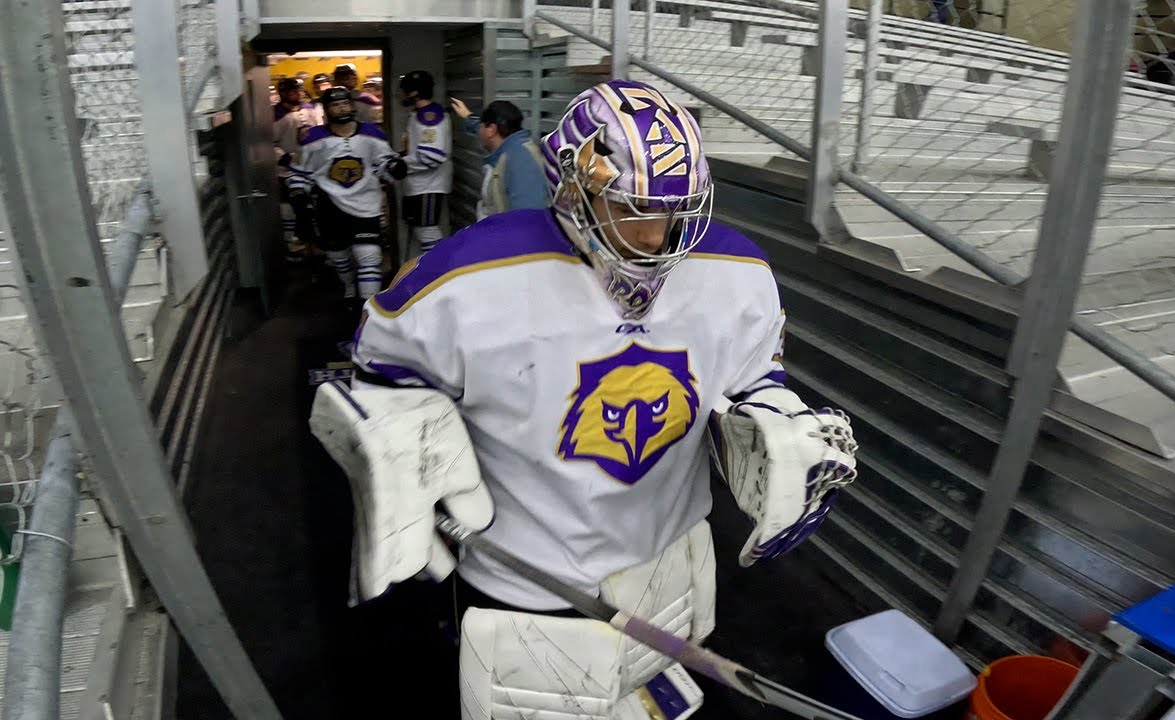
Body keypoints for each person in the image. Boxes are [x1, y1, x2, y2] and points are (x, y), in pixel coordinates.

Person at [310, 80, 858, 719]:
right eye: (632, 209)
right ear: (572, 190)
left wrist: (773, 423)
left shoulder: (738, 272)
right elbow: (384, 368)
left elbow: (754, 374)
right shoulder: (466, 274)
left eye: (675, 210)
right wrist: (403, 459)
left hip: (668, 554)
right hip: (527, 572)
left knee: (644, 698)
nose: (656, 236)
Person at [287, 86, 406, 305]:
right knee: (339, 257)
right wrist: (298, 192)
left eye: (345, 103)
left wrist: (394, 167)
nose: (342, 108)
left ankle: (368, 308)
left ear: (352, 105)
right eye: (336, 105)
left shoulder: (372, 133)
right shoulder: (313, 138)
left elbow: (383, 164)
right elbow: (299, 172)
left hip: (366, 204)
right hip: (330, 206)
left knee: (369, 256)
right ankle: (350, 287)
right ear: (327, 109)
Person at [449, 97, 547, 220]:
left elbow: (527, 221)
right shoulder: (511, 146)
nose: (479, 131)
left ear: (491, 129)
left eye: (481, 126)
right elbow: (483, 129)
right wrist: (468, 116)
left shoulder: (521, 161)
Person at [398, 70, 451, 255]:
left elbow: (432, 156)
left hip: (427, 185)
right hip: (419, 185)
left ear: (414, 93)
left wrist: (402, 164)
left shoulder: (430, 116)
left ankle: (438, 269)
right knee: (421, 230)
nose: (402, 95)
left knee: (427, 231)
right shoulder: (419, 114)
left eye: (405, 91)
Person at [272, 78, 324, 260]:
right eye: (290, 90)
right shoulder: (274, 114)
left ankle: (316, 246)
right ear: (282, 93)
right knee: (290, 210)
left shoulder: (311, 110)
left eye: (297, 90)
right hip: (286, 172)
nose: (295, 93)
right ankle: (293, 248)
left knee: (316, 209)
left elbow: (321, 134)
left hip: (313, 170)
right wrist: (283, 157)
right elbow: (268, 143)